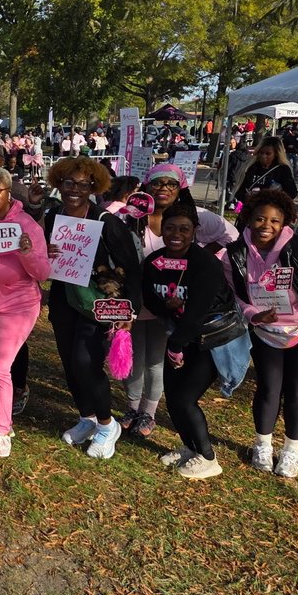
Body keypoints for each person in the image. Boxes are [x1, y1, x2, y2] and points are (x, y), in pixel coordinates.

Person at [222, 189, 298, 479]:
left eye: (275, 221)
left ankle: (291, 452)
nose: (266, 226)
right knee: (268, 388)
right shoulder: (234, 254)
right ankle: (262, 446)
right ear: (248, 218)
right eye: (260, 219)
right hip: (265, 329)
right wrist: (254, 314)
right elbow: (235, 296)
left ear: (285, 222)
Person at [121, 164, 237, 438]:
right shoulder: (130, 215)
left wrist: (200, 255)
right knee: (133, 356)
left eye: (170, 184)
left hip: (170, 302)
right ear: (146, 187)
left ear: (180, 188)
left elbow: (231, 235)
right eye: (157, 183)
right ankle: (132, 407)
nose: (163, 188)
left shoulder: (195, 216)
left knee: (155, 359)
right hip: (136, 299)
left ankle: (149, 412)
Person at [45, 156, 142, 459]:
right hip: (64, 296)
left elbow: (131, 266)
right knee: (69, 362)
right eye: (68, 182)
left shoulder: (105, 221)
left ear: (93, 187)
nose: (74, 189)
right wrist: (45, 250)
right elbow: (40, 254)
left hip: (100, 301)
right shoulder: (53, 215)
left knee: (85, 361)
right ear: (59, 184)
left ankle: (107, 425)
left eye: (83, 184)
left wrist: (130, 310)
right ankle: (86, 418)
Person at [141, 204, 241, 479]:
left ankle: (208, 458)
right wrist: (167, 307)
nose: (176, 234)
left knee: (186, 399)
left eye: (184, 229)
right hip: (179, 335)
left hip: (211, 338)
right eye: (170, 228)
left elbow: (197, 312)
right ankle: (189, 447)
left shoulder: (206, 264)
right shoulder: (154, 262)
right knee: (173, 397)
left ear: (195, 231)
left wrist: (175, 345)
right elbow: (149, 298)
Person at [0, 167, 51, 457]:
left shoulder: (26, 225)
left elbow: (43, 272)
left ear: (9, 193)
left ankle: (1, 432)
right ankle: (1, 420)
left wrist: (26, 253)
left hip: (17, 306)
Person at [232, 136, 298, 206]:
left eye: (268, 154)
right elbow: (238, 191)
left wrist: (272, 198)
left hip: (272, 208)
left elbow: (292, 193)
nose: (263, 156)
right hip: (252, 208)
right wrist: (247, 196)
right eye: (261, 153)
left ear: (276, 154)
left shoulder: (282, 169)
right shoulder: (250, 167)